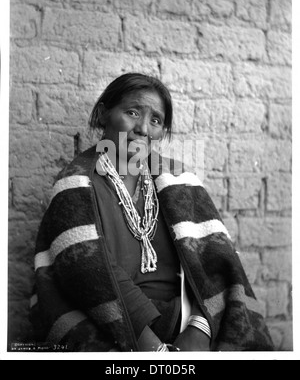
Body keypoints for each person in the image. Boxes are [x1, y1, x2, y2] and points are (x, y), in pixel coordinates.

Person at [30, 73, 274, 352]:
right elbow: (87, 272)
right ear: (102, 115)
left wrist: (199, 329)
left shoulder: (180, 181)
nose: (143, 128)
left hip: (190, 326)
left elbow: (215, 262)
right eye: (132, 112)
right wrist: (155, 350)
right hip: (117, 332)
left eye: (155, 120)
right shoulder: (75, 186)